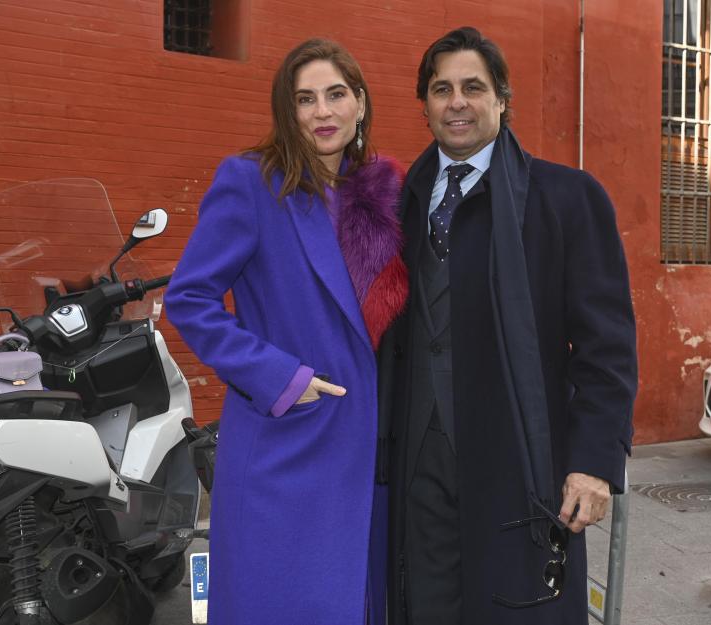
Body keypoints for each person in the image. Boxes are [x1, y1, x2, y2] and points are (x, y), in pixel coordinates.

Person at [381, 27, 638, 625]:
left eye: (474, 87)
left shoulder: (567, 198)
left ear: (502, 98)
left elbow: (607, 347)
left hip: (521, 461)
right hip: (417, 462)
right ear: (424, 105)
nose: (457, 102)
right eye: (441, 89)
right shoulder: (397, 205)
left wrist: (595, 460)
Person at [164, 38, 407, 625]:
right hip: (287, 443)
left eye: (336, 95)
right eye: (305, 99)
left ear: (361, 104)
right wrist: (281, 378)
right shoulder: (252, 183)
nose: (322, 112)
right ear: (287, 111)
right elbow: (189, 298)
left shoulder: (383, 194)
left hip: (370, 454)